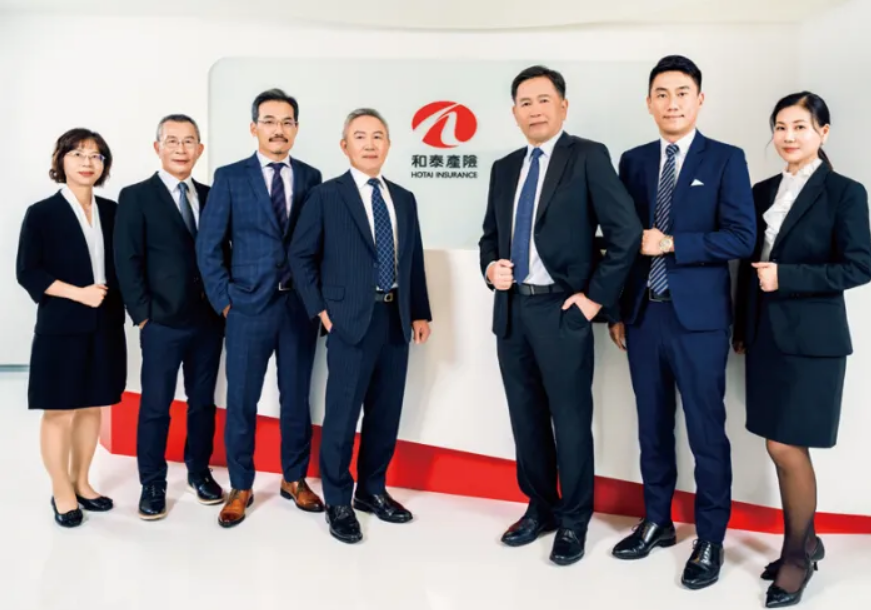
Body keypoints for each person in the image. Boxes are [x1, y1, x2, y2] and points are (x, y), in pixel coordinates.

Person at [478, 65, 641, 566]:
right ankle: (540, 508)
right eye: (525, 103)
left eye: (543, 100)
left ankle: (574, 520)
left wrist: (594, 300)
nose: (535, 110)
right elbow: (489, 236)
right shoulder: (505, 167)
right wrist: (491, 267)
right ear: (514, 113)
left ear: (563, 106)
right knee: (525, 418)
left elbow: (626, 233)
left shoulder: (587, 156)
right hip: (512, 311)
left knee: (570, 422)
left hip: (562, 309)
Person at [607, 55, 756, 589]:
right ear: (649, 103)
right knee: (651, 426)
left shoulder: (726, 159)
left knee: (706, 432)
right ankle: (657, 521)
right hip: (644, 315)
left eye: (682, 93)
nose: (672, 103)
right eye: (662, 94)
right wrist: (619, 310)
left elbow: (742, 237)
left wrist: (673, 243)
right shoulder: (634, 161)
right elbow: (624, 241)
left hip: (700, 322)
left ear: (700, 100)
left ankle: (711, 537)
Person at [733, 92, 871, 608]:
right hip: (766, 336)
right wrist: (742, 328)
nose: (788, 136)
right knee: (778, 443)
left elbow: (859, 266)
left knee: (786, 446)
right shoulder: (762, 190)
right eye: (781, 127)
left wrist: (787, 277)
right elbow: (747, 267)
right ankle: (806, 540)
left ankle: (797, 556)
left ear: (823, 132)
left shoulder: (845, 192)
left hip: (813, 342)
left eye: (800, 126)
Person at [290, 108, 432, 544]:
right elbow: (300, 256)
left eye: (377, 136)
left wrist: (420, 311)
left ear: (388, 144)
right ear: (344, 145)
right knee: (343, 414)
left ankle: (372, 490)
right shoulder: (326, 196)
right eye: (360, 136)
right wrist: (320, 309)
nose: (370, 144)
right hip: (349, 320)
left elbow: (412, 259)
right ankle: (338, 499)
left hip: (394, 319)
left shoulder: (404, 198)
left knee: (385, 412)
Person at [196, 88, 324, 527]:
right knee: (242, 400)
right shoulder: (230, 177)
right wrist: (225, 302)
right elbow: (209, 246)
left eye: (287, 122)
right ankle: (241, 485)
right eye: (269, 121)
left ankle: (294, 478)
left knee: (297, 398)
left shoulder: (312, 177)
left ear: (296, 129)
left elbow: (318, 244)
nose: (278, 129)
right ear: (254, 128)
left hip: (298, 309)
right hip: (247, 308)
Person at [115, 114, 226, 520]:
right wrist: (143, 315)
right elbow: (127, 259)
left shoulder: (212, 196)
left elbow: (224, 253)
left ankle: (199, 471)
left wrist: (225, 305)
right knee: (156, 405)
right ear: (157, 147)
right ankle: (152, 482)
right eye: (173, 141)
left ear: (200, 149)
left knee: (203, 403)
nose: (181, 149)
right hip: (161, 321)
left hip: (208, 321)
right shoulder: (136, 196)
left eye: (189, 141)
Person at [16, 128, 127, 527]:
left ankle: (82, 482)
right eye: (77, 153)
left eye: (96, 156)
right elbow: (28, 271)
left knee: (92, 405)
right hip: (61, 324)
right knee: (60, 409)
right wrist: (78, 294)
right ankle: (61, 490)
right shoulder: (42, 213)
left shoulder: (113, 211)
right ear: (61, 160)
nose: (87, 162)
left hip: (105, 323)